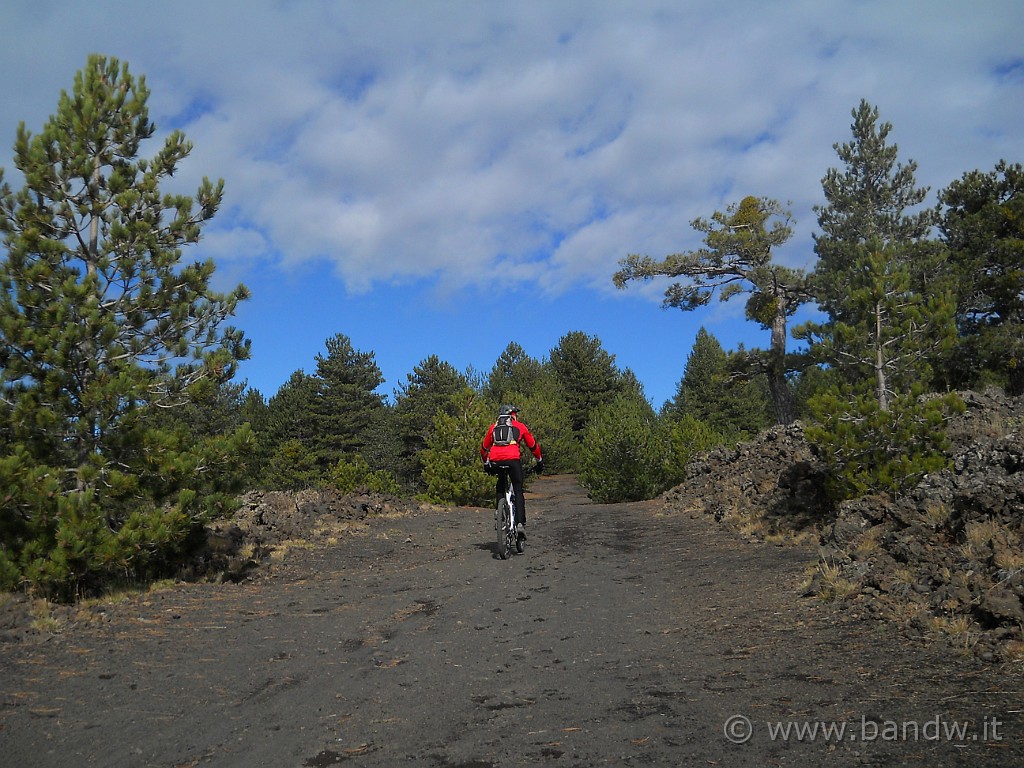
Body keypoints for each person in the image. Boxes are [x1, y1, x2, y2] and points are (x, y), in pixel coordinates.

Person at [481, 404, 543, 539]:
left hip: (496, 460)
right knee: (518, 489)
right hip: (513, 460)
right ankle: (520, 523)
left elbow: (483, 448)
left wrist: (486, 464)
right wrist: (539, 461)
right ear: (512, 414)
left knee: (501, 482)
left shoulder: (493, 427)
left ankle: (499, 511)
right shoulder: (519, 426)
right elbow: (533, 445)